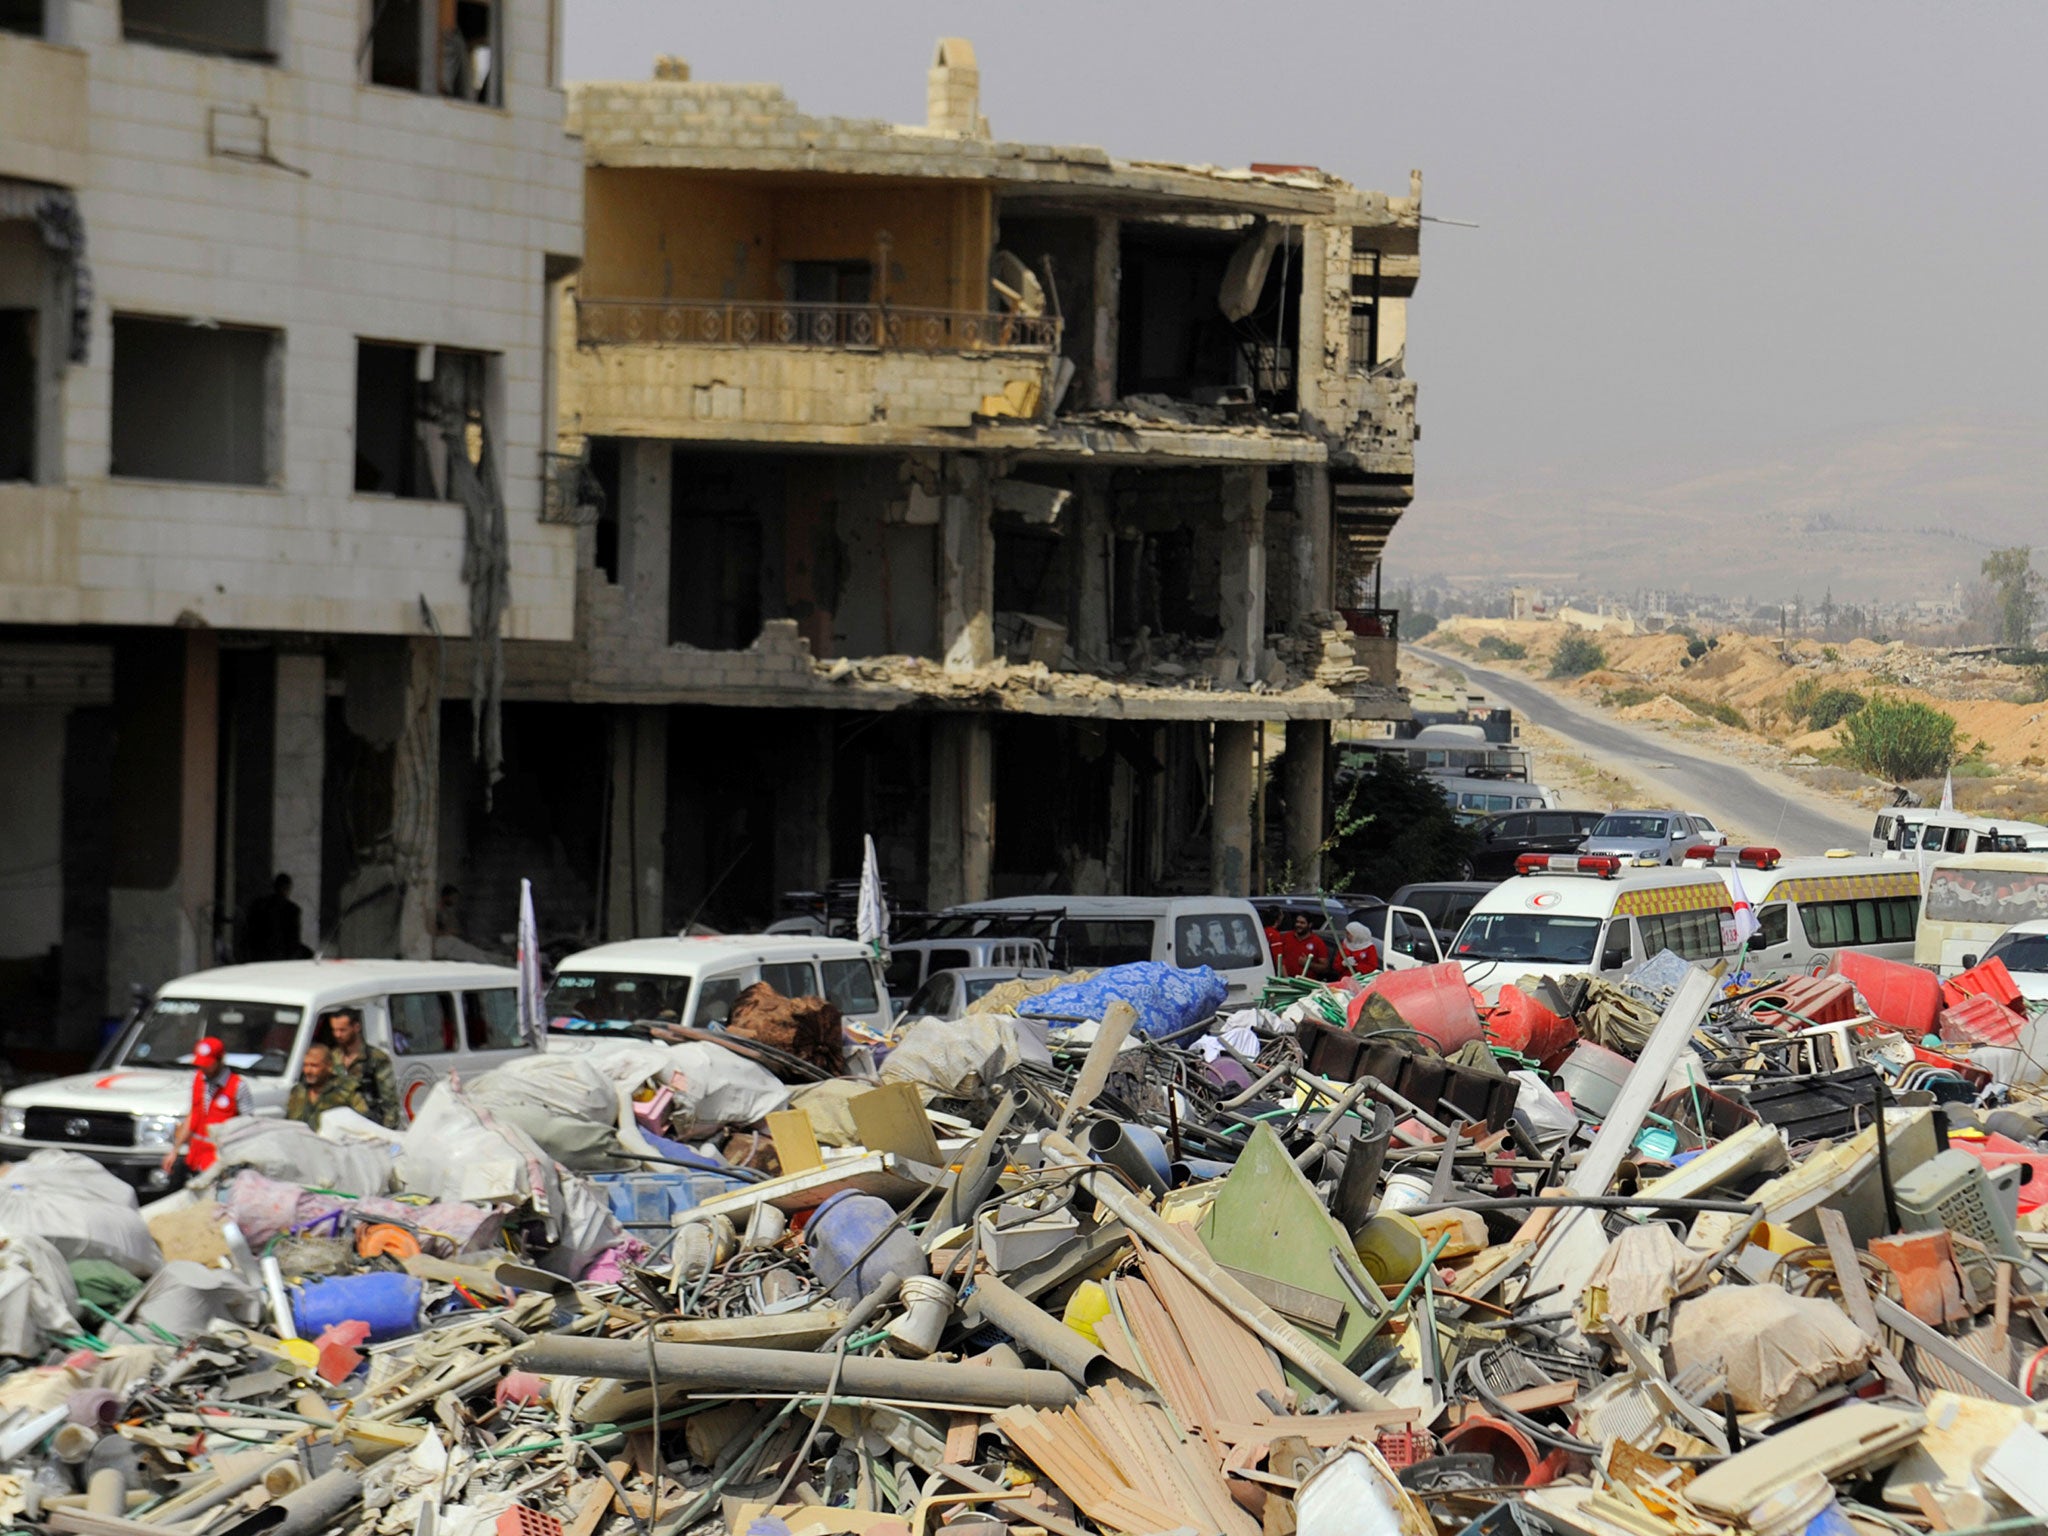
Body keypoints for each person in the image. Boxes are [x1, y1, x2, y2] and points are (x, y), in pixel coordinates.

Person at [162, 1037, 250, 1178]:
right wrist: (175, 1150)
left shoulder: (238, 1086)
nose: (203, 1068)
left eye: (208, 1064)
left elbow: (248, 1126)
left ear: (220, 1060)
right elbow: (193, 1115)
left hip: (220, 1162)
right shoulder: (199, 1080)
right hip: (196, 1158)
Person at [323, 1007, 399, 1128]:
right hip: (337, 1125)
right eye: (335, 1030)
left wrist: (388, 1131)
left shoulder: (375, 1058)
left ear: (356, 1027)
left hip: (368, 1125)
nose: (338, 1035)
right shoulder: (331, 1058)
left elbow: (389, 1101)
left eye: (343, 1030)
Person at [285, 1044, 365, 1129]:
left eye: (314, 1066)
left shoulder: (347, 1090)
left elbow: (363, 1122)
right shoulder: (298, 1091)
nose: (308, 1071)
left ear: (329, 1066)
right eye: (305, 1065)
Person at [243, 873, 307, 962]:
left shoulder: (260, 905)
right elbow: (293, 939)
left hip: (261, 956)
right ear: (288, 888)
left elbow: (249, 932)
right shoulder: (291, 910)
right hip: (279, 957)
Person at [1272, 912, 1332, 979]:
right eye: (1297, 922)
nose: (1298, 925)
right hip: (1284, 981)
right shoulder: (1285, 937)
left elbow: (1325, 968)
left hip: (1304, 985)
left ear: (1310, 925)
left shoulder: (1317, 942)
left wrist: (1308, 964)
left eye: (1302, 923)